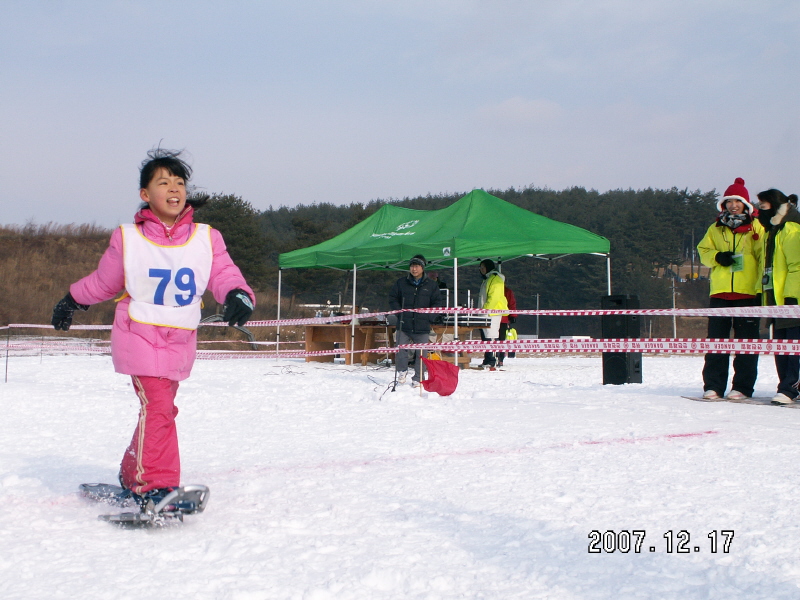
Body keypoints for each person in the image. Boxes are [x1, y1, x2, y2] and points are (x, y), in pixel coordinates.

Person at [51, 148, 255, 507]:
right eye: (164, 182)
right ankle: (155, 487)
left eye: (179, 182)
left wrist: (238, 293)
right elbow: (105, 282)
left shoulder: (207, 237)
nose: (174, 189)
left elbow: (223, 273)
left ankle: (134, 470)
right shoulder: (128, 238)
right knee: (159, 407)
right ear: (146, 194)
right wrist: (72, 299)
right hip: (139, 334)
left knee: (160, 409)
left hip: (180, 339)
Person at [696, 178, 763, 400]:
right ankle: (713, 386)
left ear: (746, 204)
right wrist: (717, 257)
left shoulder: (757, 228)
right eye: (729, 201)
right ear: (723, 205)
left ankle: (742, 387)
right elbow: (703, 250)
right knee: (716, 341)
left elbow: (763, 256)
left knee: (746, 343)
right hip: (720, 292)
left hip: (748, 293)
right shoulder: (715, 228)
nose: (733, 205)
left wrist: (761, 286)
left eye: (738, 201)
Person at [756, 188, 800, 404]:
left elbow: (797, 266)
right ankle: (786, 385)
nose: (758, 212)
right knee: (781, 345)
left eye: (762, 207)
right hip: (776, 299)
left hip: (791, 300)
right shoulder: (773, 231)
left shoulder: (791, 229)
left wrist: (792, 296)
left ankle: (791, 388)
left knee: (793, 345)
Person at [388, 255, 443, 387]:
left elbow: (437, 302)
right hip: (404, 324)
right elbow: (393, 298)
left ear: (423, 268)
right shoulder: (401, 283)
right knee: (400, 349)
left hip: (422, 325)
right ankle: (402, 371)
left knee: (421, 353)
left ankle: (418, 377)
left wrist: (429, 317)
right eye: (412, 266)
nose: (414, 269)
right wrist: (399, 313)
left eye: (417, 266)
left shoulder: (431, 285)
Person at [477, 259, 509, 369]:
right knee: (486, 337)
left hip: (492, 313)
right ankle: (488, 359)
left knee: (491, 336)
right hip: (486, 312)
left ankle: (491, 360)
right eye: (480, 268)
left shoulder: (495, 279)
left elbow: (493, 297)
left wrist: (485, 310)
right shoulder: (488, 279)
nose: (481, 270)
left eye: (483, 268)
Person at [496, 285, 517, 368]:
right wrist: (513, 315)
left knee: (500, 340)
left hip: (501, 319)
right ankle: (498, 359)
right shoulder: (507, 291)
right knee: (500, 340)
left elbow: (511, 303)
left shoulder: (507, 291)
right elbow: (512, 303)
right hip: (503, 318)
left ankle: (500, 359)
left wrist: (513, 315)